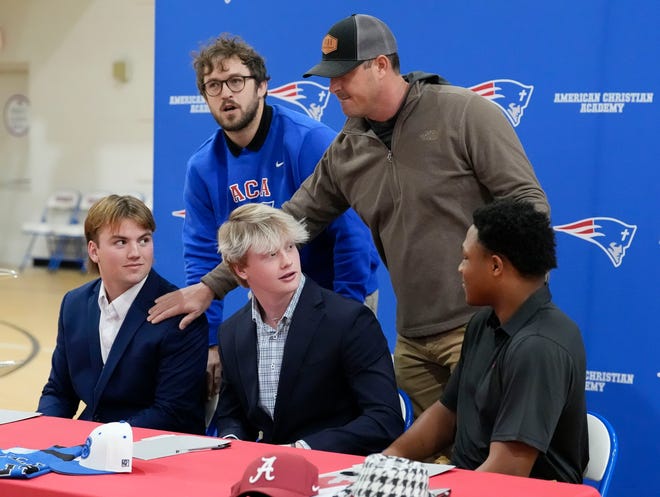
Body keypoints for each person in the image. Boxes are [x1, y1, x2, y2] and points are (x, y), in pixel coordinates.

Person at [148, 14, 549, 420]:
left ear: (380, 65)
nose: (333, 86)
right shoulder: (348, 146)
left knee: (495, 464)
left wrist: (514, 304)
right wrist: (211, 287)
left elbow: (527, 202)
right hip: (412, 343)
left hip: (480, 326)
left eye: (344, 74)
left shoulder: (464, 113)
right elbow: (290, 220)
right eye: (328, 76)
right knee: (438, 464)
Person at [181, 34, 380, 400]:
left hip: (337, 292)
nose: (227, 93)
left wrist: (348, 320)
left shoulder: (310, 141)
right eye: (213, 85)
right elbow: (203, 257)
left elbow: (351, 234)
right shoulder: (202, 167)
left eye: (236, 81)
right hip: (269, 304)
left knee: (336, 403)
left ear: (262, 87)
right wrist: (210, 342)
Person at [383, 199, 588, 483]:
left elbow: (507, 473)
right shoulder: (483, 324)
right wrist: (386, 461)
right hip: (470, 483)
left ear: (495, 266)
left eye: (466, 258)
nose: (460, 269)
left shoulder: (539, 346)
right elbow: (447, 413)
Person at [213, 203, 403, 455]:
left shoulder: (350, 320)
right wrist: (233, 444)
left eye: (290, 247)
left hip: (336, 467)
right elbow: (231, 414)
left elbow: (384, 420)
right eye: (271, 254)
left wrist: (301, 449)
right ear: (240, 268)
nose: (287, 261)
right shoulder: (232, 332)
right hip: (270, 474)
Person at [38, 194, 208, 434]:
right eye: (121, 242)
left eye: (144, 240)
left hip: (155, 451)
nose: (135, 253)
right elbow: (59, 391)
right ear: (94, 251)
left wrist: (100, 439)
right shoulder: (73, 304)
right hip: (89, 443)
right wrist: (40, 432)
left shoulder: (180, 313)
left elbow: (172, 412)